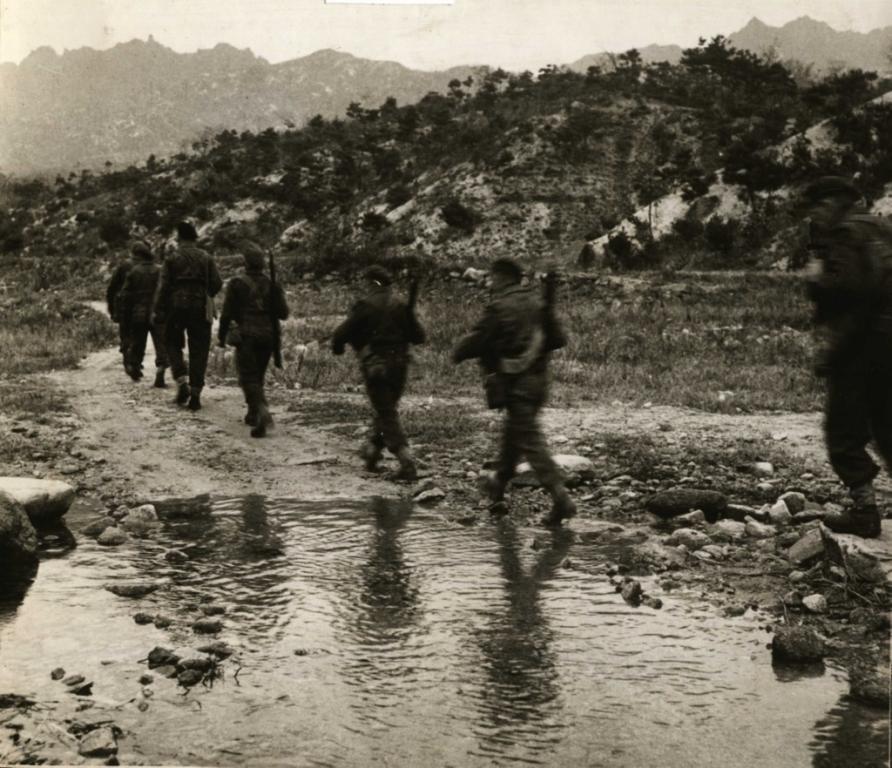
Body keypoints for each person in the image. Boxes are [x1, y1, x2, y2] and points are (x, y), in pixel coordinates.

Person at [453, 259, 576, 527]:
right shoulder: (537, 303)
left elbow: (478, 340)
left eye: (492, 277)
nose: (490, 282)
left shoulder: (499, 307)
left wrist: (459, 351)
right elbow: (558, 339)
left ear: (501, 277)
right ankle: (498, 485)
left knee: (530, 441)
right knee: (514, 435)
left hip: (516, 385)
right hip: (539, 381)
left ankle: (561, 499)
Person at [802, 175, 892, 538]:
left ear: (832, 203)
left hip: (863, 344)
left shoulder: (843, 235)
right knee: (887, 428)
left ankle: (864, 511)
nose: (814, 215)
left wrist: (816, 278)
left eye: (817, 206)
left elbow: (850, 291)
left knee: (842, 432)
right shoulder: (882, 228)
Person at [332, 265, 425, 480]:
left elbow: (341, 334)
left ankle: (406, 460)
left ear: (371, 283)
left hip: (376, 366)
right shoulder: (400, 305)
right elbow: (419, 336)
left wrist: (338, 348)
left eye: (365, 282)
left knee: (386, 412)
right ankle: (373, 451)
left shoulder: (365, 306)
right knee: (386, 409)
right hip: (400, 366)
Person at [217, 241, 289, 438]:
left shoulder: (236, 284)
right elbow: (283, 313)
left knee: (248, 377)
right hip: (268, 336)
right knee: (257, 376)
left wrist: (221, 337)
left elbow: (226, 314)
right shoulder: (272, 284)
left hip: (247, 336)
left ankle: (261, 410)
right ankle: (252, 412)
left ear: (246, 263)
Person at [153, 221, 222, 411]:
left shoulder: (172, 258)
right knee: (199, 348)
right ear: (195, 238)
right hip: (200, 307)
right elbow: (217, 282)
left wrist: (158, 309)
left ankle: (181, 379)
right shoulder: (206, 257)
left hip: (176, 307)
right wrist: (205, 293)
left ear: (179, 238)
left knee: (172, 342)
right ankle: (196, 394)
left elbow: (163, 287)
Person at [118, 240, 169, 386]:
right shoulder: (160, 270)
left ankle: (135, 366)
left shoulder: (134, 271)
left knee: (138, 342)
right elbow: (166, 292)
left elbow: (125, 295)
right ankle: (161, 367)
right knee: (161, 343)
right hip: (157, 314)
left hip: (138, 313)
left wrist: (125, 315)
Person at [105, 247, 133, 372]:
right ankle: (134, 360)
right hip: (142, 307)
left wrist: (112, 309)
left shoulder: (123, 266)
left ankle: (128, 359)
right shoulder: (149, 266)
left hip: (124, 306)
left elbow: (111, 289)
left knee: (125, 333)